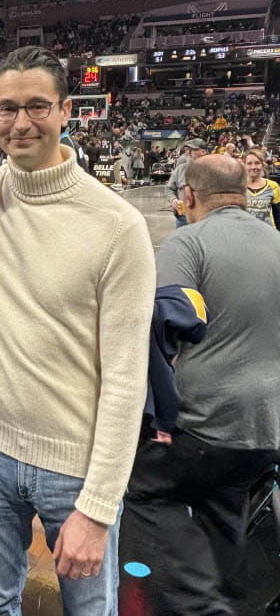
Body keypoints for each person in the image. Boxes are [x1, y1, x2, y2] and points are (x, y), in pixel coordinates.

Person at [0, 47, 155, 615]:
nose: (20, 123)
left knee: (91, 610)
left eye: (37, 106)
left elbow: (125, 380)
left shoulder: (117, 225)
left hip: (76, 464)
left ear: (68, 110)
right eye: (6, 108)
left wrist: (98, 506)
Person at [124, 155, 280, 615]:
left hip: (205, 425)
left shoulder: (188, 244)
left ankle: (195, 601)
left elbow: (165, 332)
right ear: (247, 192)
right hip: (265, 430)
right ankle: (230, 599)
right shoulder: (276, 241)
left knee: (145, 491)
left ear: (188, 196)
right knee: (224, 508)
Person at [166, 138, 207, 227]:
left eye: (193, 149)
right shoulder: (180, 169)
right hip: (182, 218)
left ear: (203, 152)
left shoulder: (211, 170)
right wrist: (173, 200)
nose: (188, 152)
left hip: (204, 218)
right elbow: (169, 188)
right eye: (188, 149)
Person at [244, 148, 280, 229]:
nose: (253, 167)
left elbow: (278, 216)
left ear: (262, 165)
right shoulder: (238, 187)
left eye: (257, 163)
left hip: (268, 234)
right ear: (244, 165)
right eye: (249, 163)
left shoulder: (273, 186)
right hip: (244, 234)